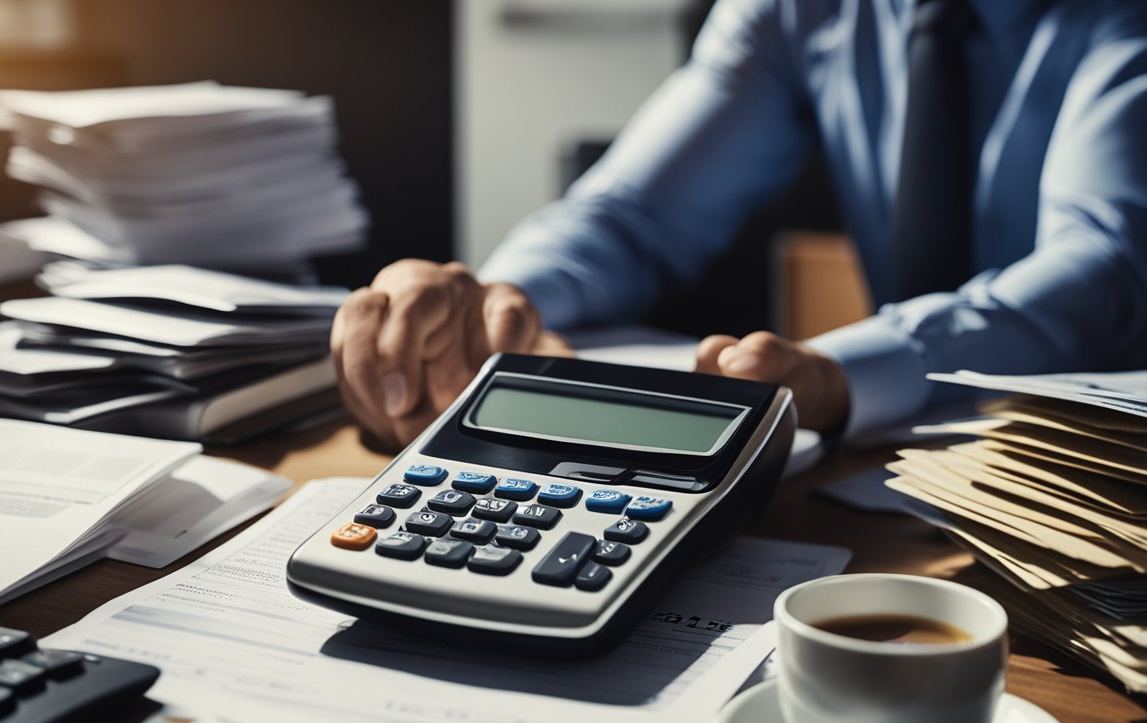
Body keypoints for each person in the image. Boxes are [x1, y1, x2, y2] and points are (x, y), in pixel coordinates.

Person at [332, 0, 1147, 450]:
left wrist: (839, 373)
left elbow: (1103, 270)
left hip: (1102, 478)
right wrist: (498, 301)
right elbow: (632, 215)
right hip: (891, 477)